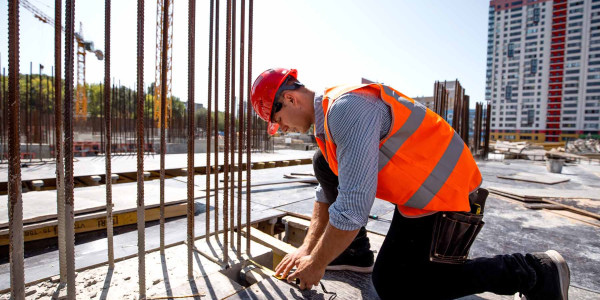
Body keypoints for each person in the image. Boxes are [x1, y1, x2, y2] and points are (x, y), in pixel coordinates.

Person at [250, 68, 570, 300]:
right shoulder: (329, 118)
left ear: (289, 99)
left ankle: (531, 271)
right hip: (421, 195)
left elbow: (353, 207)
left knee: (396, 286)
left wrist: (316, 265)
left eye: (279, 122)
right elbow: (326, 191)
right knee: (323, 161)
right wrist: (307, 248)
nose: (285, 129)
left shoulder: (346, 111)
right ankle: (356, 253)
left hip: (448, 194)